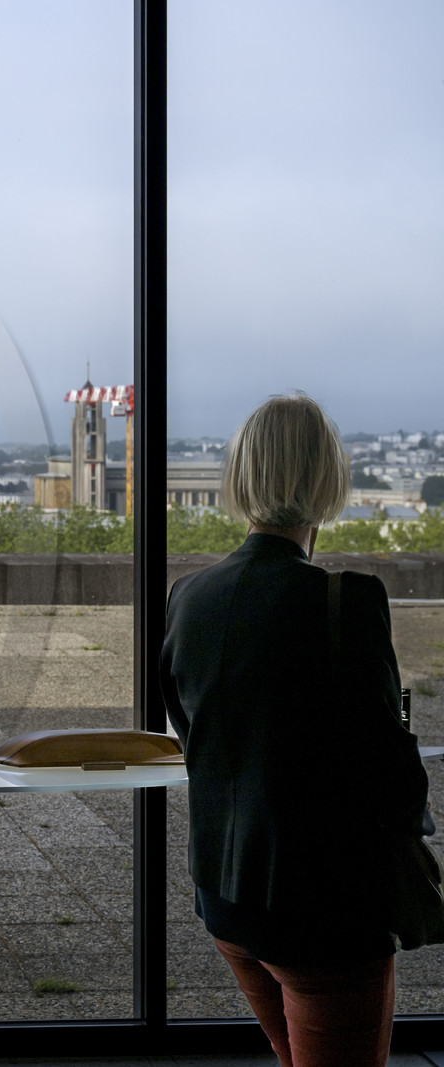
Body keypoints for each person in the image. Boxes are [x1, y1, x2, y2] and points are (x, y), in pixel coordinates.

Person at [160, 393, 432, 1067]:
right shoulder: (346, 603)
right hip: (324, 916)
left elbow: (195, 730)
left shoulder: (188, 598)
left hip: (225, 899)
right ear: (326, 479)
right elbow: (393, 771)